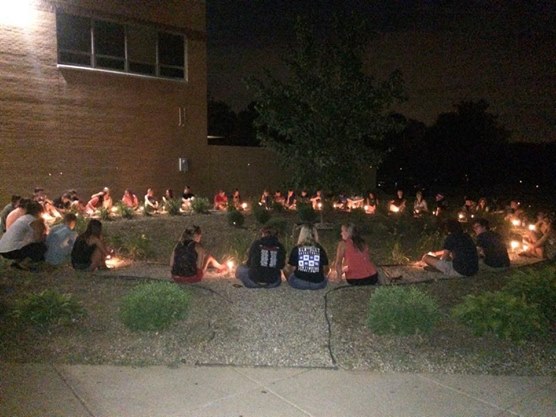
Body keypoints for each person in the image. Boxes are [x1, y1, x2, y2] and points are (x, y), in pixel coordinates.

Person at [0, 201, 47, 270]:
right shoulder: (33, 220)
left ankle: (17, 262)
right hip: (11, 251)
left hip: (3, 249)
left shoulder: (24, 218)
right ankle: (24, 263)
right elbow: (38, 238)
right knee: (41, 247)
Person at [286, 224, 329, 290]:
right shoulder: (320, 249)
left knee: (287, 271)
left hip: (299, 283)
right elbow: (326, 269)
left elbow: (291, 269)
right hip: (318, 284)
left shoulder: (296, 249)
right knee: (325, 278)